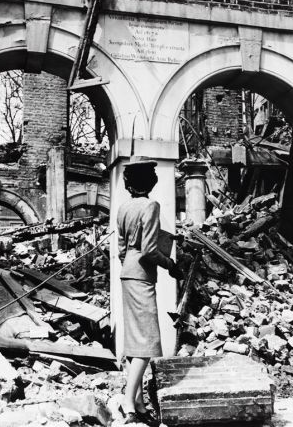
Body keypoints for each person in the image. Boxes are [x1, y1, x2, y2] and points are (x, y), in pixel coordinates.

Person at [117, 156, 183, 425]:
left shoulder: (123, 207)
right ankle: (127, 402)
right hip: (142, 274)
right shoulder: (151, 206)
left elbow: (123, 248)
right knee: (146, 342)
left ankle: (140, 405)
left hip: (127, 272)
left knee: (136, 341)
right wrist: (170, 265)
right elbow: (149, 250)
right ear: (151, 182)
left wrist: (132, 264)